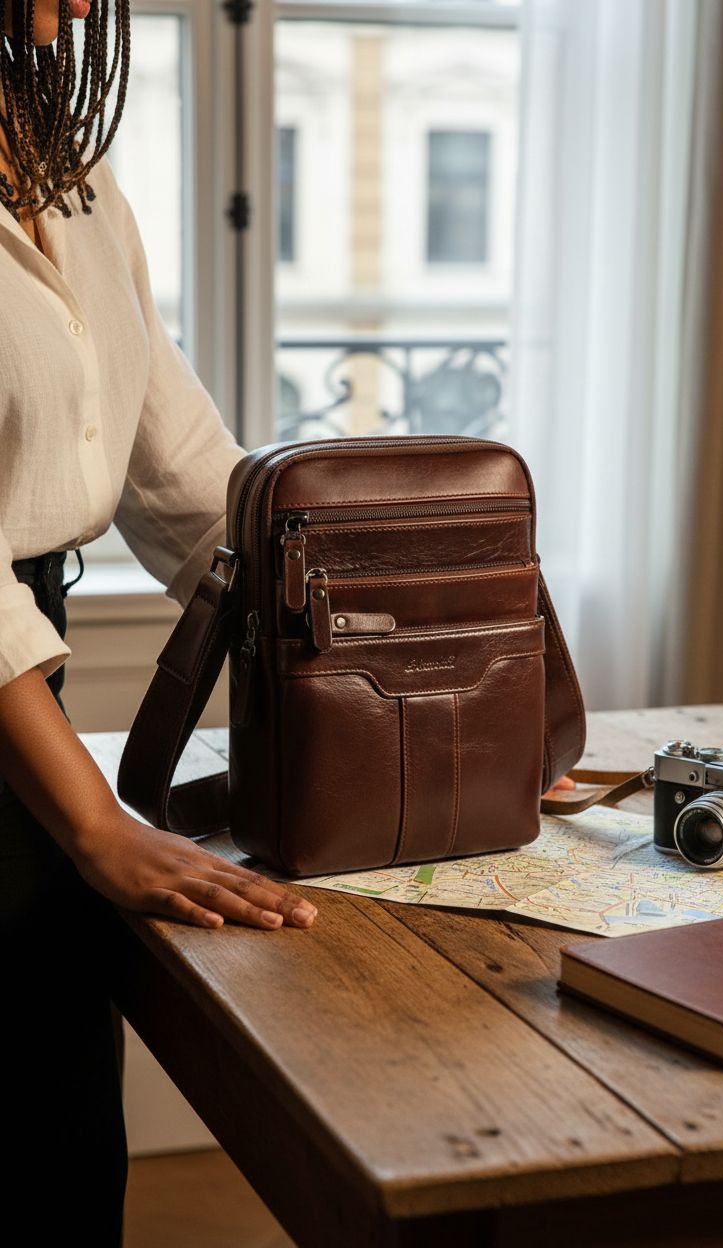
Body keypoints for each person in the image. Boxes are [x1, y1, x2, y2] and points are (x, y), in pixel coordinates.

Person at [0, 2, 317, 1242]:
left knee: (60, 1124)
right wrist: (92, 819)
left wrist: (383, 649)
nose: (85, 4)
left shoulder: (68, 167)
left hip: (30, 674)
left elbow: (182, 468)